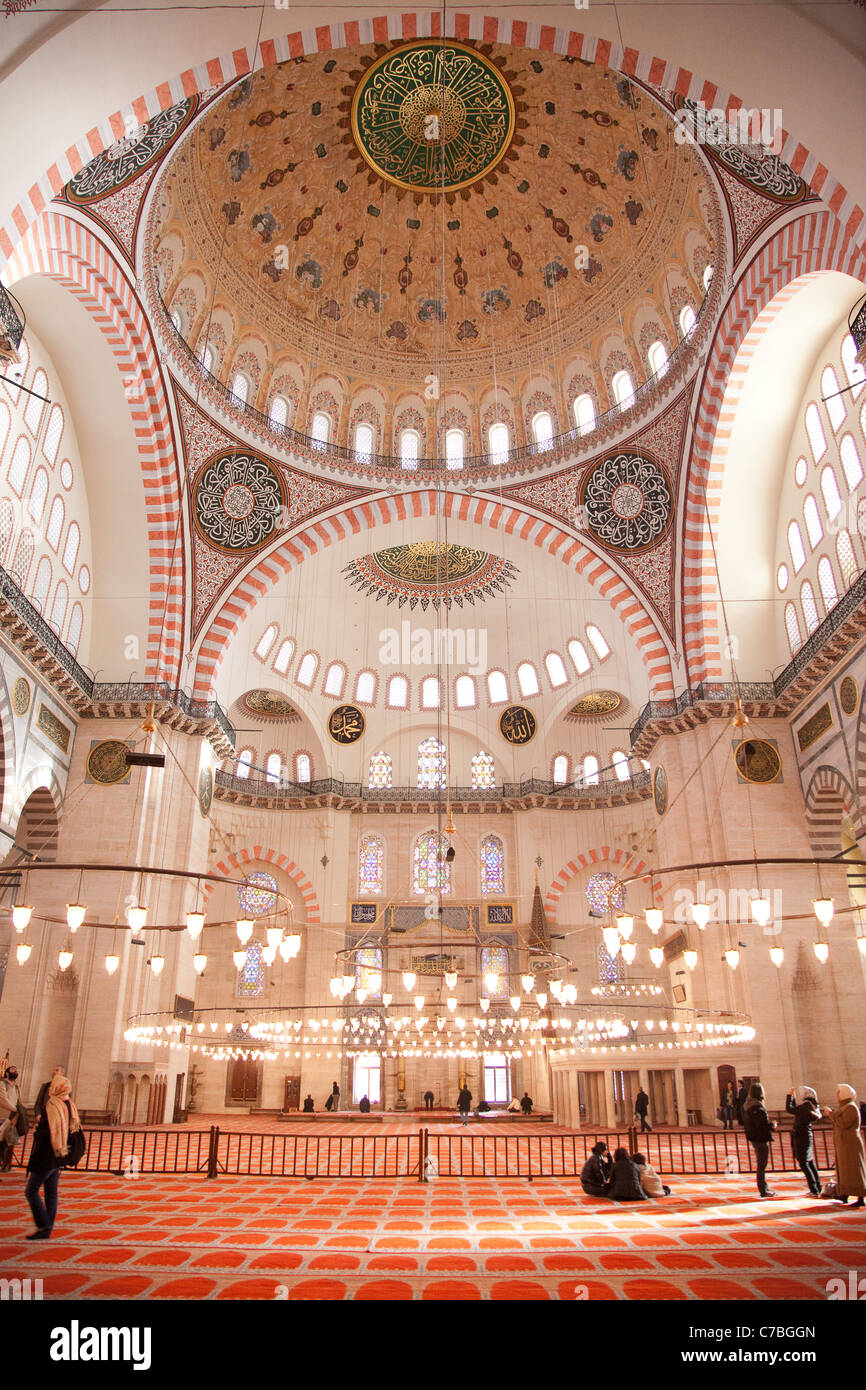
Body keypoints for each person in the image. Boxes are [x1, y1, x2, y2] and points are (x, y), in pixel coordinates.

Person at [25, 1074, 81, 1240]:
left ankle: (44, 1224)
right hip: (60, 1153)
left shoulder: (54, 1105)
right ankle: (47, 1228)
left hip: (48, 1154)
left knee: (31, 1190)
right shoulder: (69, 1103)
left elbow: (49, 1130)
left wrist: (38, 1132)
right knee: (51, 1192)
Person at [828, 1084, 866, 1208]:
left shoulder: (851, 1108)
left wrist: (830, 1114)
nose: (837, 1094)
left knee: (854, 1170)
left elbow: (843, 1123)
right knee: (844, 1169)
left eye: (839, 1092)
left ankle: (860, 1197)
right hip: (843, 1143)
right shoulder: (843, 1107)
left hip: (851, 1144)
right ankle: (844, 1193)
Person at [786, 1086, 823, 1196]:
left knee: (804, 1163)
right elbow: (795, 1109)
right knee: (810, 1162)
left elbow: (790, 1109)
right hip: (806, 1135)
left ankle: (814, 1189)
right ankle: (817, 1187)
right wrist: (793, 1098)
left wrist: (789, 1095)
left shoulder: (805, 1107)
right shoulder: (811, 1106)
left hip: (801, 1136)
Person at [742, 1082, 778, 1198]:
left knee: (761, 1164)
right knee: (762, 1165)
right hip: (760, 1138)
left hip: (753, 1137)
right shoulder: (757, 1107)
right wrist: (772, 1126)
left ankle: (763, 1188)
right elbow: (761, 1125)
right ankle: (763, 1189)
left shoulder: (748, 1105)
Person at [0, 1064, 22, 1172]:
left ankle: (6, 1164)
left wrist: (18, 1113)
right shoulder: (2, 1084)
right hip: (3, 1115)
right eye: (13, 1070)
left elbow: (19, 1101)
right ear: (7, 1073)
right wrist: (14, 1109)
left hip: (12, 1117)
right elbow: (2, 1099)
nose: (15, 1072)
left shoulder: (17, 1087)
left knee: (9, 1141)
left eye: (16, 1070)